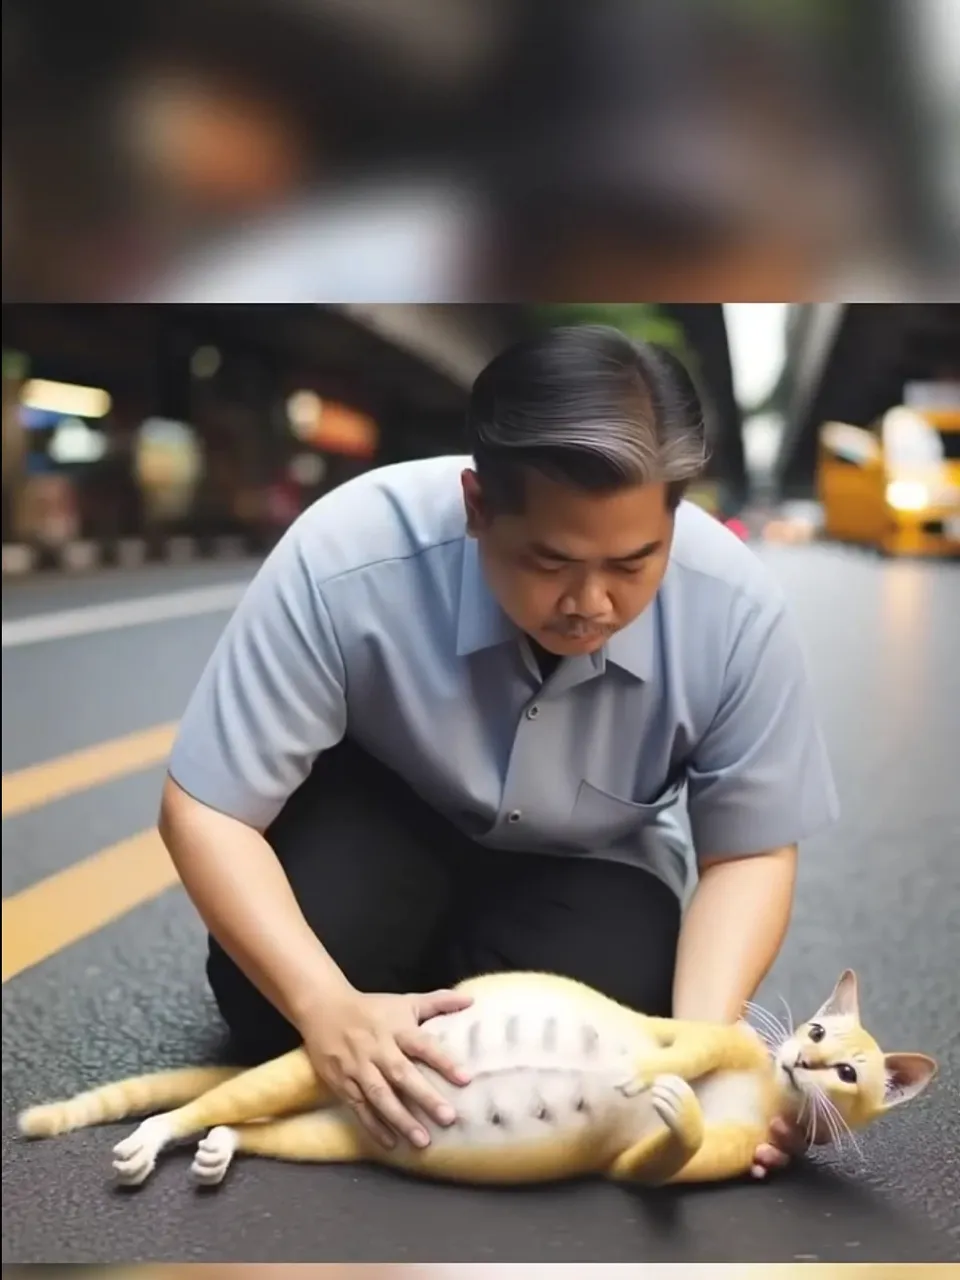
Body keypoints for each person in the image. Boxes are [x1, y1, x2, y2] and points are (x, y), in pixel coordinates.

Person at [159, 324, 839, 1178]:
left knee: (628, 1017)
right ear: (478, 506)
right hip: (383, 825)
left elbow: (750, 851)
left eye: (635, 563)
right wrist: (324, 1003)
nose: (591, 602)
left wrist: (701, 1050)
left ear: (675, 515)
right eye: (550, 561)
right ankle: (381, 993)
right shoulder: (347, 554)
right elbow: (207, 807)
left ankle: (431, 997)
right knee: (274, 1015)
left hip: (586, 861)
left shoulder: (738, 612)